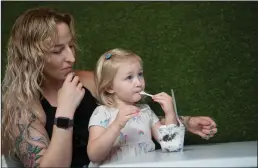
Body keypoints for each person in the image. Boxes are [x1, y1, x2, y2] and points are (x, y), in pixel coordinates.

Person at [2, 7, 217, 168]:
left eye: (71, 45)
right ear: (32, 55)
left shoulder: (85, 81)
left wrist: (186, 122)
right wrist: (65, 111)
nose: (71, 57)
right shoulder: (22, 107)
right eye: (58, 50)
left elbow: (134, 116)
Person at [87, 49, 186, 166]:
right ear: (109, 87)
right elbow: (94, 155)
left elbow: (169, 144)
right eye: (129, 77)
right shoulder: (102, 113)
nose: (139, 83)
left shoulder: (145, 111)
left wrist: (170, 113)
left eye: (140, 74)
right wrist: (116, 125)